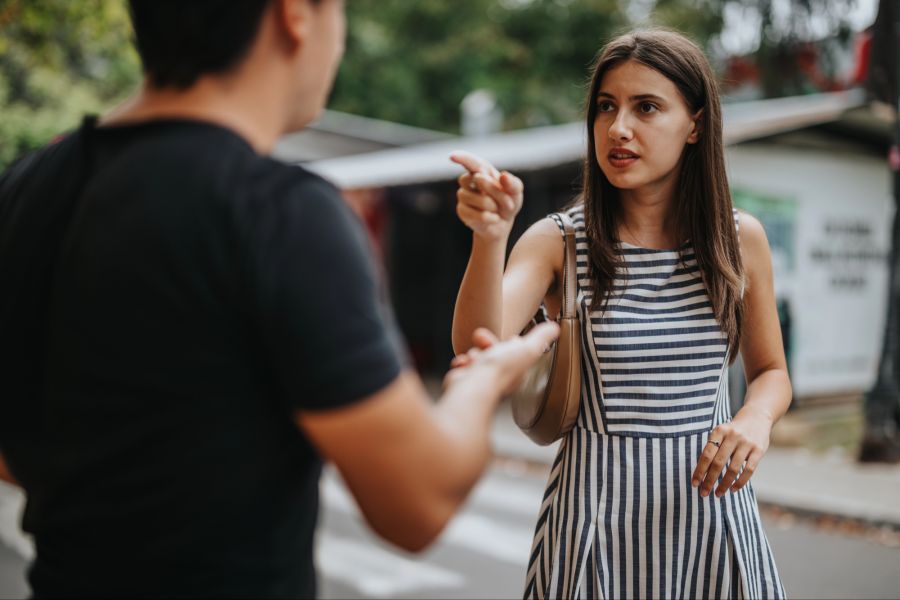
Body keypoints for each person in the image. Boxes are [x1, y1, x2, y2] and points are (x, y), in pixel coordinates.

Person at [0, 0, 559, 597]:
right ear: (295, 13)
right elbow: (415, 504)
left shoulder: (30, 186)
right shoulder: (279, 213)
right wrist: (481, 384)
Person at [451, 29, 791, 599]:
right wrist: (490, 237)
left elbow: (772, 373)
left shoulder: (739, 239)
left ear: (696, 125)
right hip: (593, 529)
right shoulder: (558, 240)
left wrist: (755, 419)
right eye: (606, 107)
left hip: (714, 526)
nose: (618, 128)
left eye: (646, 107)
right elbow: (476, 345)